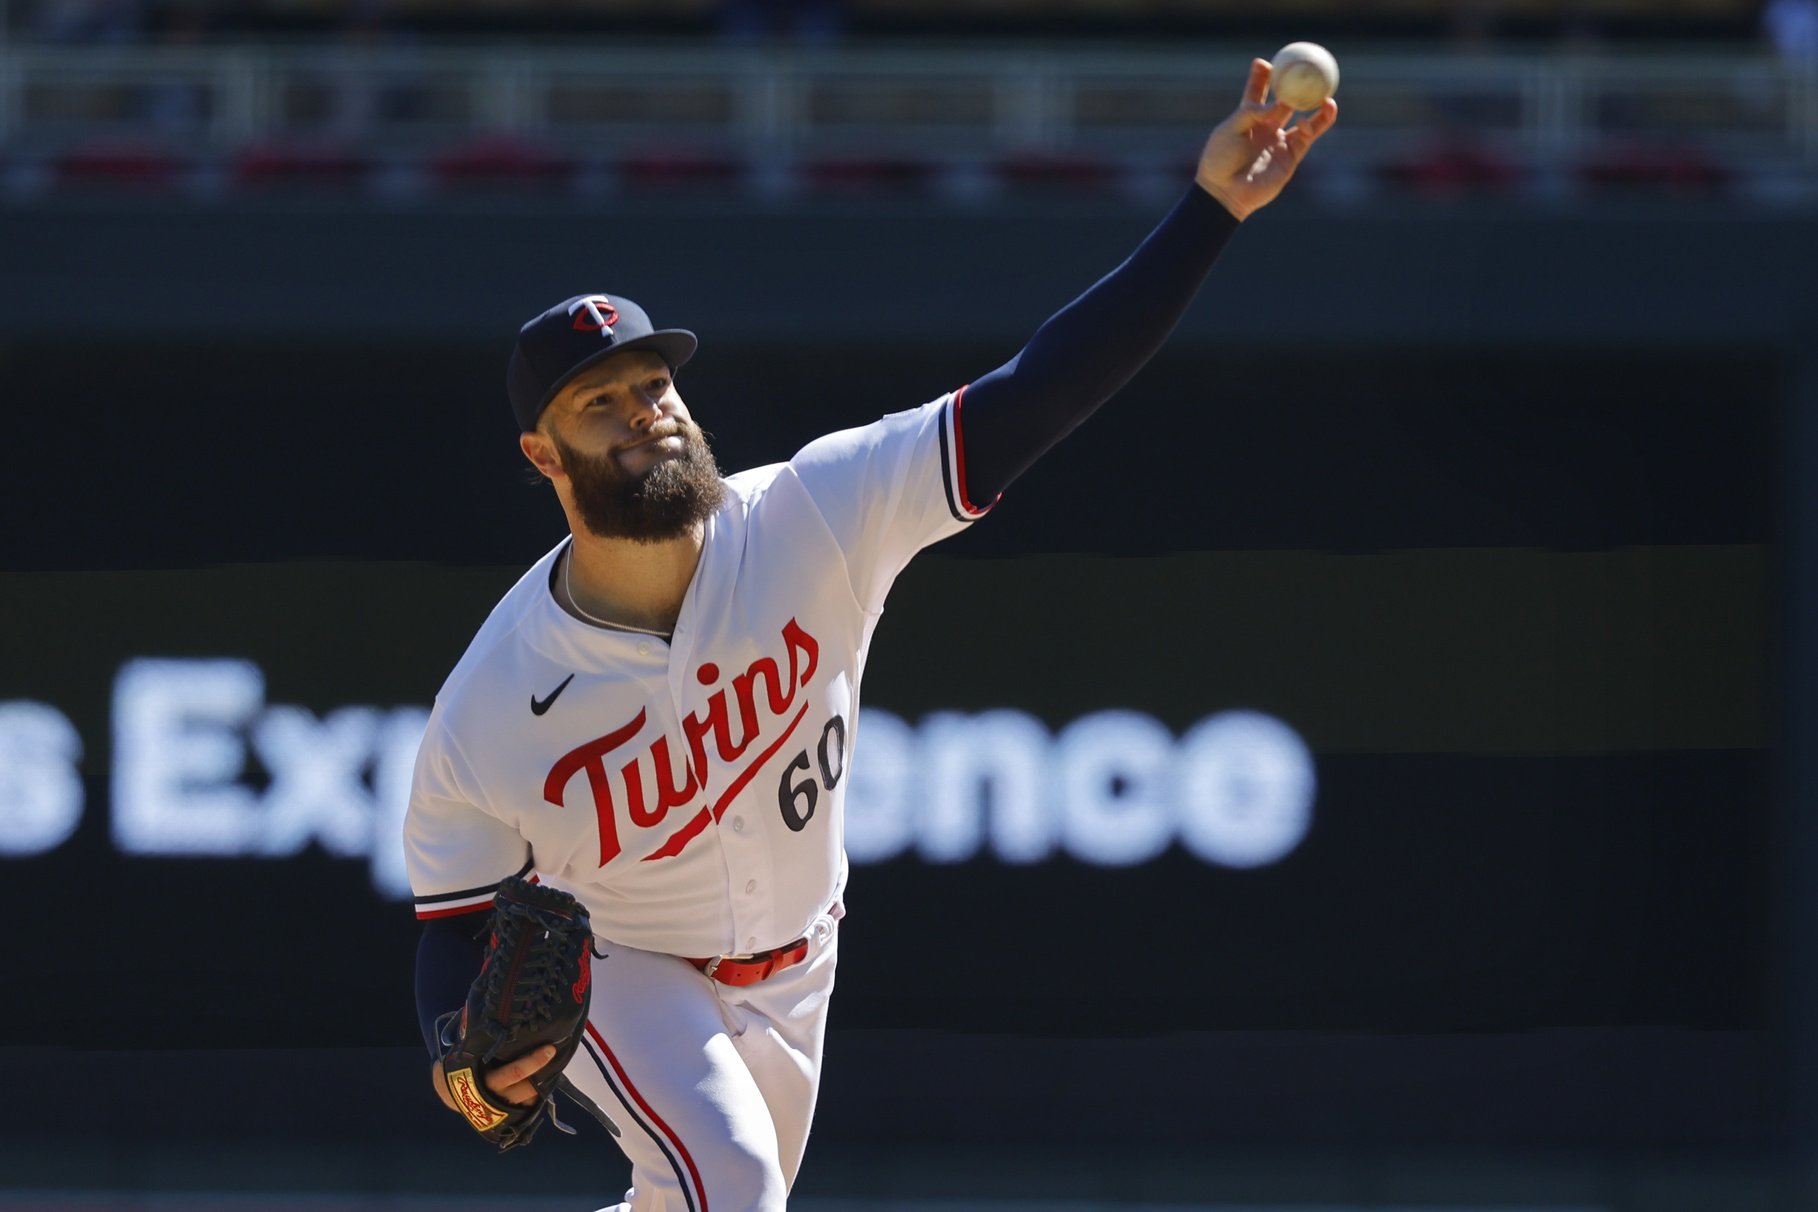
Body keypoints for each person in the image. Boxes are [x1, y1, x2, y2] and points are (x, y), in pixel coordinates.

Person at [405, 58, 1336, 1212]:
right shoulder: (495, 698)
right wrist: (459, 1046)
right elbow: (451, 922)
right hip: (629, 973)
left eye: (655, 385)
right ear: (544, 458)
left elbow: (1037, 392)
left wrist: (1211, 214)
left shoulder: (813, 515)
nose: (647, 411)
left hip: (802, 964)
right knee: (730, 1184)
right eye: (603, 403)